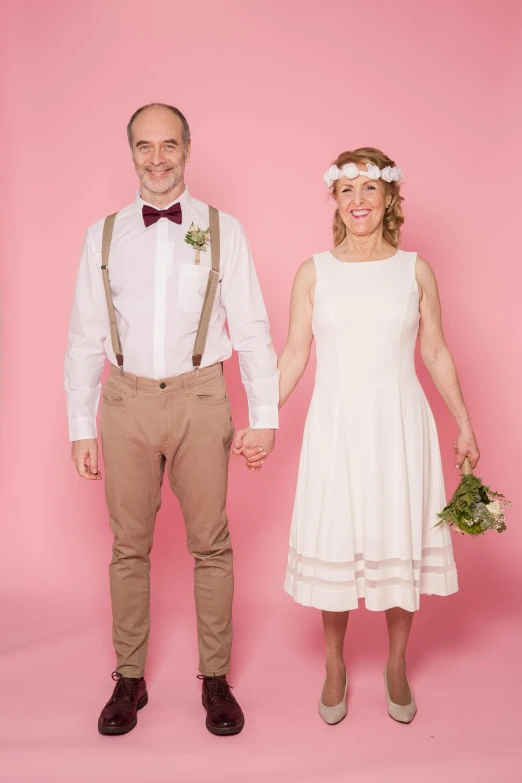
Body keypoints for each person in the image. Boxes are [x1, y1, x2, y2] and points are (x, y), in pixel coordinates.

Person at [234, 147, 480, 725]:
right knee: (337, 541)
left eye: (370, 188)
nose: (358, 200)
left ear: (391, 198)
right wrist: (262, 419)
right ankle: (335, 665)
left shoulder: (414, 269)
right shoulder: (313, 271)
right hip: (336, 426)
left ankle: (397, 663)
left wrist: (465, 423)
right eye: (346, 190)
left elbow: (436, 351)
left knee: (398, 538)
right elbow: (294, 353)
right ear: (335, 201)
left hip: (399, 424)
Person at [64, 103, 278, 736]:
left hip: (201, 397)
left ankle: (216, 679)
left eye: (168, 145)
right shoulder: (102, 235)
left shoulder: (222, 230)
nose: (156, 158)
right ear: (130, 151)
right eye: (143, 146)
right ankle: (129, 678)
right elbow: (84, 334)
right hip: (124, 402)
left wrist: (262, 414)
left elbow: (253, 326)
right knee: (129, 547)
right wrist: (81, 423)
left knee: (210, 544)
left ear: (188, 148)